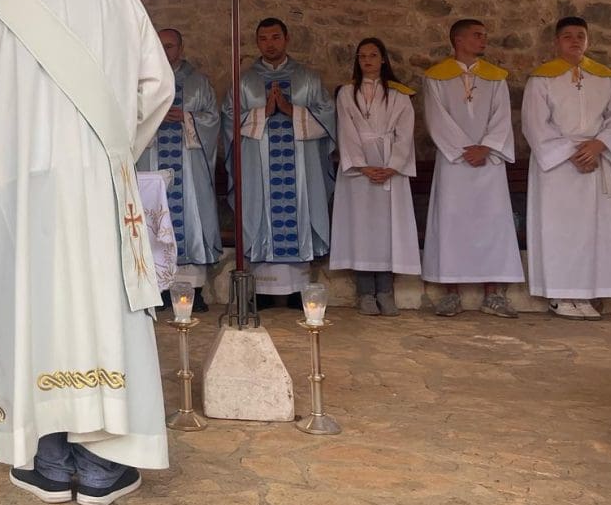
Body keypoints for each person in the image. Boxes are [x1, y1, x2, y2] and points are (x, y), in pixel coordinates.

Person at [0, 0, 173, 505]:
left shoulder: (2, 2)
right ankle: (102, 467)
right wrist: (120, 147)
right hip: (101, 183)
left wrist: (13, 141)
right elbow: (158, 87)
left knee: (38, 306)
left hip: (28, 190)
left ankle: (49, 461)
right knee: (102, 305)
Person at [523, 17, 611, 319]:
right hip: (559, 166)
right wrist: (571, 152)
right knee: (559, 229)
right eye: (568, 36)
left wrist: (599, 144)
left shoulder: (604, 78)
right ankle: (560, 293)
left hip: (596, 159)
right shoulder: (542, 79)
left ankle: (587, 293)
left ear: (588, 41)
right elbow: (534, 123)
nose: (575, 41)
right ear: (556, 42)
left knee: (593, 230)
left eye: (580, 36)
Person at [221, 18, 335, 305]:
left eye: (275, 37)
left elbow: (328, 115)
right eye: (263, 39)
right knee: (260, 215)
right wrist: (264, 113)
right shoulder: (244, 81)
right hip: (258, 169)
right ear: (257, 42)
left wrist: (290, 109)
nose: (269, 44)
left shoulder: (307, 78)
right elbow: (229, 120)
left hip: (300, 168)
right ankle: (262, 291)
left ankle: (297, 290)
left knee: (298, 213)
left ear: (286, 39)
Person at [421, 19, 522, 317]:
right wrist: (463, 149)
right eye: (477, 35)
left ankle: (493, 293)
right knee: (451, 223)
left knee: (492, 223)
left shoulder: (495, 77)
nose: (483, 40)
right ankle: (451, 292)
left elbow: (502, 116)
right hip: (454, 162)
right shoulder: (436, 77)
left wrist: (486, 147)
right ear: (459, 40)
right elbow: (436, 117)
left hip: (488, 162)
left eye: (484, 35)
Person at [328, 38, 421, 315]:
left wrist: (393, 165)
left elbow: (406, 132)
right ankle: (365, 292)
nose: (367, 60)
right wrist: (362, 165)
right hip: (360, 172)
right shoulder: (347, 93)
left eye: (372, 55)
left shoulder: (399, 94)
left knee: (388, 231)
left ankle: (385, 291)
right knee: (361, 229)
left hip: (390, 166)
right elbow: (346, 130)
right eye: (362, 56)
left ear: (383, 59)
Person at [137, 28, 222, 310]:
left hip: (189, 169)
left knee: (191, 218)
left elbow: (212, 119)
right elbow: (131, 119)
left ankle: (192, 291)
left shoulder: (198, 82)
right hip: (152, 165)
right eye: (160, 45)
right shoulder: (142, 83)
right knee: (154, 221)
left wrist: (186, 118)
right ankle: (158, 290)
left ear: (181, 48)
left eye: (170, 46)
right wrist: (153, 118)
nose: (165, 50)